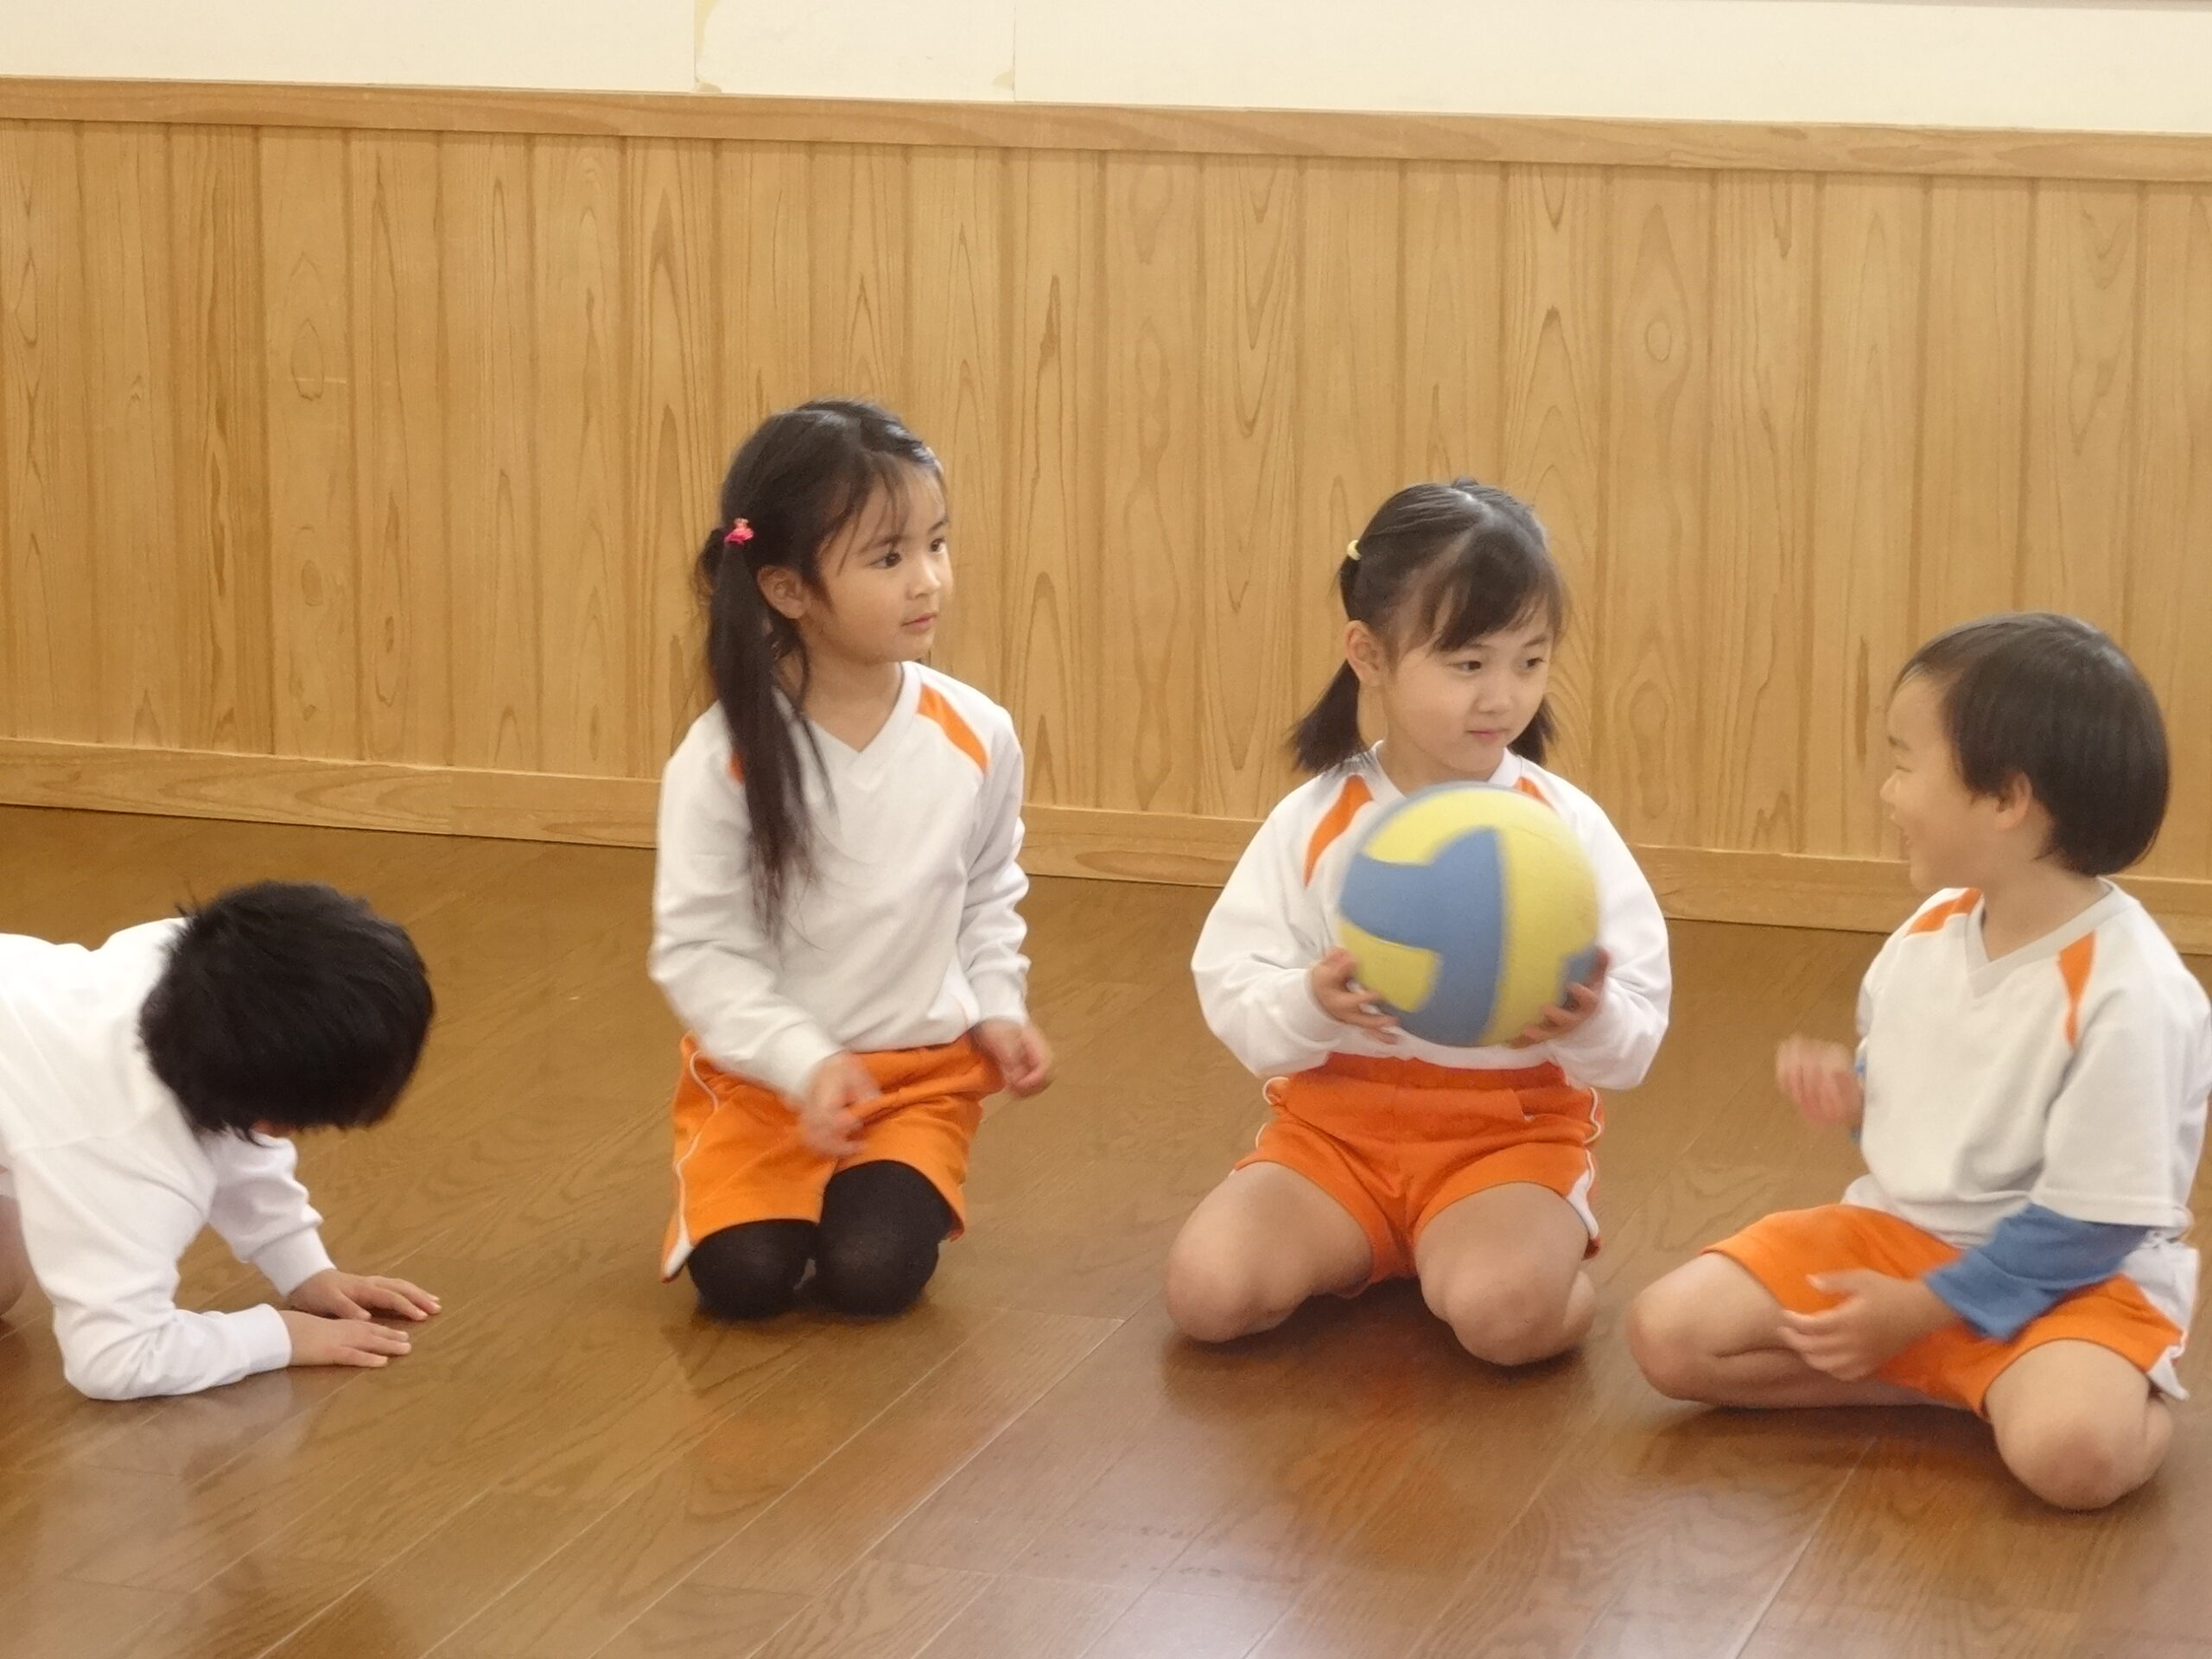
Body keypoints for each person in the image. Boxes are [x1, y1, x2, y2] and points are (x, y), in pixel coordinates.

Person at [1630, 613, 2209, 1510]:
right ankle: (1960, 1383)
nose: (1888, 794)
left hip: (2078, 1281)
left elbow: (2088, 1228)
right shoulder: (1932, 930)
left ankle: (2072, 1386)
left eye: (1905, 765)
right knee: (1668, 1338)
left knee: (2073, 1456)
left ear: (2006, 799)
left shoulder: (2131, 994)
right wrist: (1857, 1100)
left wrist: (1924, 1309)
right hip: (1902, 1240)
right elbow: (1936, 1110)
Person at [1167, 480, 1671, 1363]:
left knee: (1503, 1317)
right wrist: (1310, 1001)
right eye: (1469, 665)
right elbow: (1233, 984)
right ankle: (1379, 1244)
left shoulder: (1562, 830)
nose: (1503, 697)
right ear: (1368, 654)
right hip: (1334, 1141)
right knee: (1207, 1296)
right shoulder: (1316, 820)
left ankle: (1537, 1264)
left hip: (1506, 1144)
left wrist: (1587, 1020)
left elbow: (1636, 1029)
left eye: (1529, 662)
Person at [651, 399, 1053, 1321]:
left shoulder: (978, 732)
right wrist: (804, 1062)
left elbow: (988, 893)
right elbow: (700, 951)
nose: (928, 580)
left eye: (936, 544)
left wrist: (998, 1006)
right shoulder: (721, 759)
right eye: (887, 557)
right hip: (763, 1085)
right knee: (744, 1283)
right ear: (788, 589)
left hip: (917, 1082)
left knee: (872, 1274)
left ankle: (886, 1180)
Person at [0, 882, 439, 1400]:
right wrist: (278, 1335)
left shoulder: (202, 965)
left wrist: (304, 1269)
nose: (290, 1134)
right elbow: (117, 1358)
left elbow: (236, 1131)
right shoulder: (118, 1142)